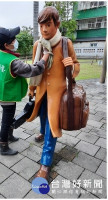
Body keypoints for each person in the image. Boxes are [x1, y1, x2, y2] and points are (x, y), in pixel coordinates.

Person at [27, 6, 80, 180]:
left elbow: (77, 66)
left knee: (52, 125)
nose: (44, 29)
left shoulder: (66, 44)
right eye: (41, 25)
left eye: (48, 24)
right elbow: (35, 69)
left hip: (58, 95)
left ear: (57, 24)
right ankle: (41, 131)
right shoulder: (38, 45)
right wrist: (31, 89)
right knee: (42, 116)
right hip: (42, 92)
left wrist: (71, 66)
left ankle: (45, 163)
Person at [0, 27, 50, 156]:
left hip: (0, 92)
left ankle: (10, 136)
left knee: (9, 118)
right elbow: (33, 69)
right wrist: (45, 56)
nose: (15, 41)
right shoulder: (13, 62)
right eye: (13, 40)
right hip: (7, 96)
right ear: (6, 45)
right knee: (6, 121)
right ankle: (4, 147)